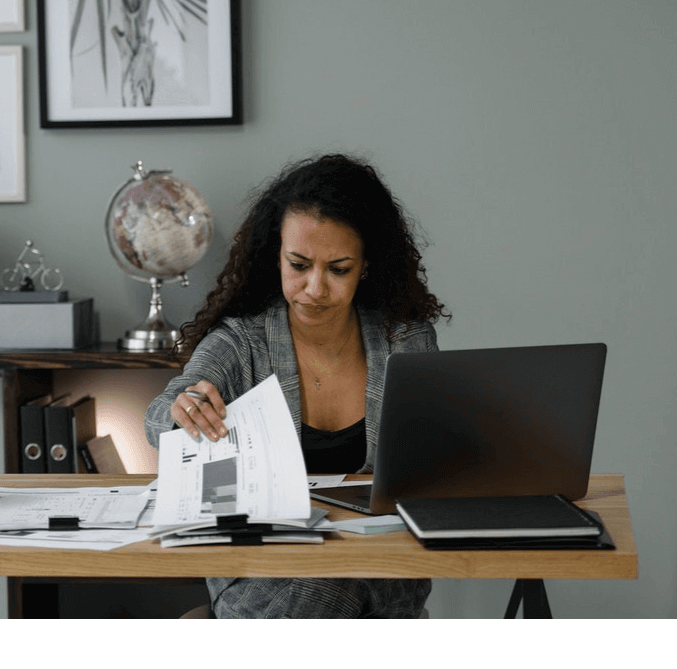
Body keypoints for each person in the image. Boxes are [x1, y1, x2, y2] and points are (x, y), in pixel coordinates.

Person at [144, 152, 449, 619]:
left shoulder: (403, 341)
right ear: (276, 256)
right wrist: (181, 411)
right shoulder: (242, 341)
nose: (315, 287)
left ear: (366, 265)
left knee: (341, 578)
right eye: (299, 264)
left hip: (380, 570)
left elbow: (439, 455)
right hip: (262, 574)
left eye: (339, 268)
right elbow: (161, 412)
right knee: (325, 587)